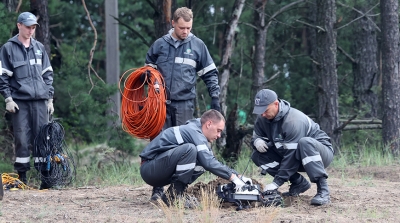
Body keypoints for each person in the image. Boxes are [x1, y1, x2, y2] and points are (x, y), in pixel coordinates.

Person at [144, 7, 221, 200]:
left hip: (185, 105)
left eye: (188, 28)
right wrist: (151, 82)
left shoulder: (198, 46)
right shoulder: (160, 45)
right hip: (160, 105)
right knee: (161, 143)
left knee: (187, 147)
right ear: (173, 24)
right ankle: (157, 189)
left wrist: (215, 98)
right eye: (181, 28)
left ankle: (177, 189)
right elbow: (148, 67)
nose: (185, 31)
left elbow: (210, 73)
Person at [140, 109, 251, 207]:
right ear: (209, 124)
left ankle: (171, 196)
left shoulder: (198, 133)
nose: (219, 136)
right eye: (218, 130)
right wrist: (233, 178)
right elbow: (208, 162)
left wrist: (237, 175)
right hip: (149, 169)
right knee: (191, 150)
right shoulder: (193, 131)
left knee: (202, 158)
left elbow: (210, 161)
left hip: (159, 169)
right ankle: (174, 197)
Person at [251, 89, 334, 205]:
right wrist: (256, 141)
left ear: (276, 104)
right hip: (292, 154)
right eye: (260, 111)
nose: (262, 114)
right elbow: (256, 137)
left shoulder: (293, 121)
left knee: (305, 142)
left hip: (320, 154)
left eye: (265, 110)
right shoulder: (263, 118)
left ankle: (323, 191)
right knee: (257, 156)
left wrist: (276, 183)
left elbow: (291, 158)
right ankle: (298, 183)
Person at [0, 12, 54, 189]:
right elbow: (3, 77)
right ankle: (22, 179)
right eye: (28, 26)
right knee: (22, 139)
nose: (31, 30)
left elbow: (48, 74)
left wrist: (50, 98)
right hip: (20, 102)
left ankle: (45, 180)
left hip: (40, 101)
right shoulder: (8, 48)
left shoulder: (39, 47)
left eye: (33, 27)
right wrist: (8, 99)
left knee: (42, 139)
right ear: (19, 26)